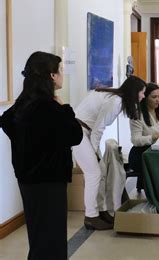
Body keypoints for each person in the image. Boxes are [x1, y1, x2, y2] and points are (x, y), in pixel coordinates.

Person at [0, 52, 83, 259]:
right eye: (60, 70)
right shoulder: (48, 106)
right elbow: (75, 135)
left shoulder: (24, 103)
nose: (62, 74)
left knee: (40, 236)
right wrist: (65, 108)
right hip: (48, 182)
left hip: (28, 180)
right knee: (51, 241)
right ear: (52, 76)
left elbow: (6, 121)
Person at [73, 75, 146, 230]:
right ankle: (91, 217)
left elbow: (96, 128)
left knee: (100, 172)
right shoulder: (116, 101)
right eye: (142, 92)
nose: (143, 96)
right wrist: (93, 151)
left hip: (85, 131)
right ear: (134, 92)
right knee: (94, 174)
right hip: (78, 131)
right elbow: (99, 127)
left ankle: (101, 211)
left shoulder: (116, 98)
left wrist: (95, 151)